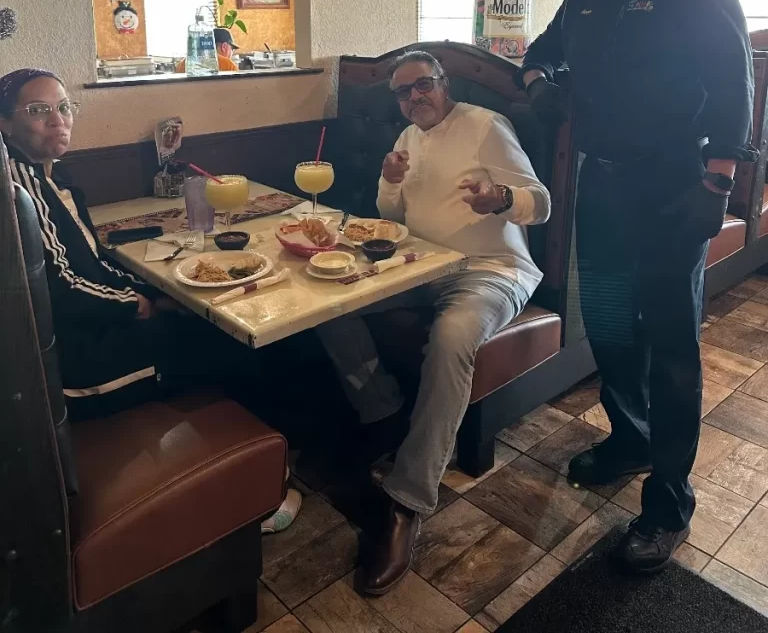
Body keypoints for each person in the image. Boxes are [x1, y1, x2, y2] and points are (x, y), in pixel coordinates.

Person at [520, 0, 756, 574]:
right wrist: (538, 84)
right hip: (605, 186)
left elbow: (735, 84)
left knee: (672, 345)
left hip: (675, 184)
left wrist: (716, 184)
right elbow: (542, 48)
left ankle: (669, 503)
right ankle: (630, 439)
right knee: (612, 324)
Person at [0, 68, 300, 533]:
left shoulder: (48, 176)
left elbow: (94, 262)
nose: (57, 119)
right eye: (38, 111)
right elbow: (63, 286)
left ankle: (261, 457)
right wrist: (137, 304)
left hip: (84, 338)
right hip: (73, 373)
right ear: (5, 123)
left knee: (205, 325)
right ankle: (265, 493)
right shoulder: (22, 188)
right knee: (230, 341)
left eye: (63, 107)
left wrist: (150, 291)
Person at [316, 51, 551, 594]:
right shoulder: (406, 138)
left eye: (424, 86)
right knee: (329, 301)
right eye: (404, 92)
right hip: (420, 263)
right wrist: (389, 179)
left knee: (450, 337)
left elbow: (541, 201)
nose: (414, 97)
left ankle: (407, 502)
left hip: (493, 268)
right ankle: (384, 411)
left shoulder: (486, 125)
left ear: (442, 85)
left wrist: (502, 199)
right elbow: (392, 217)